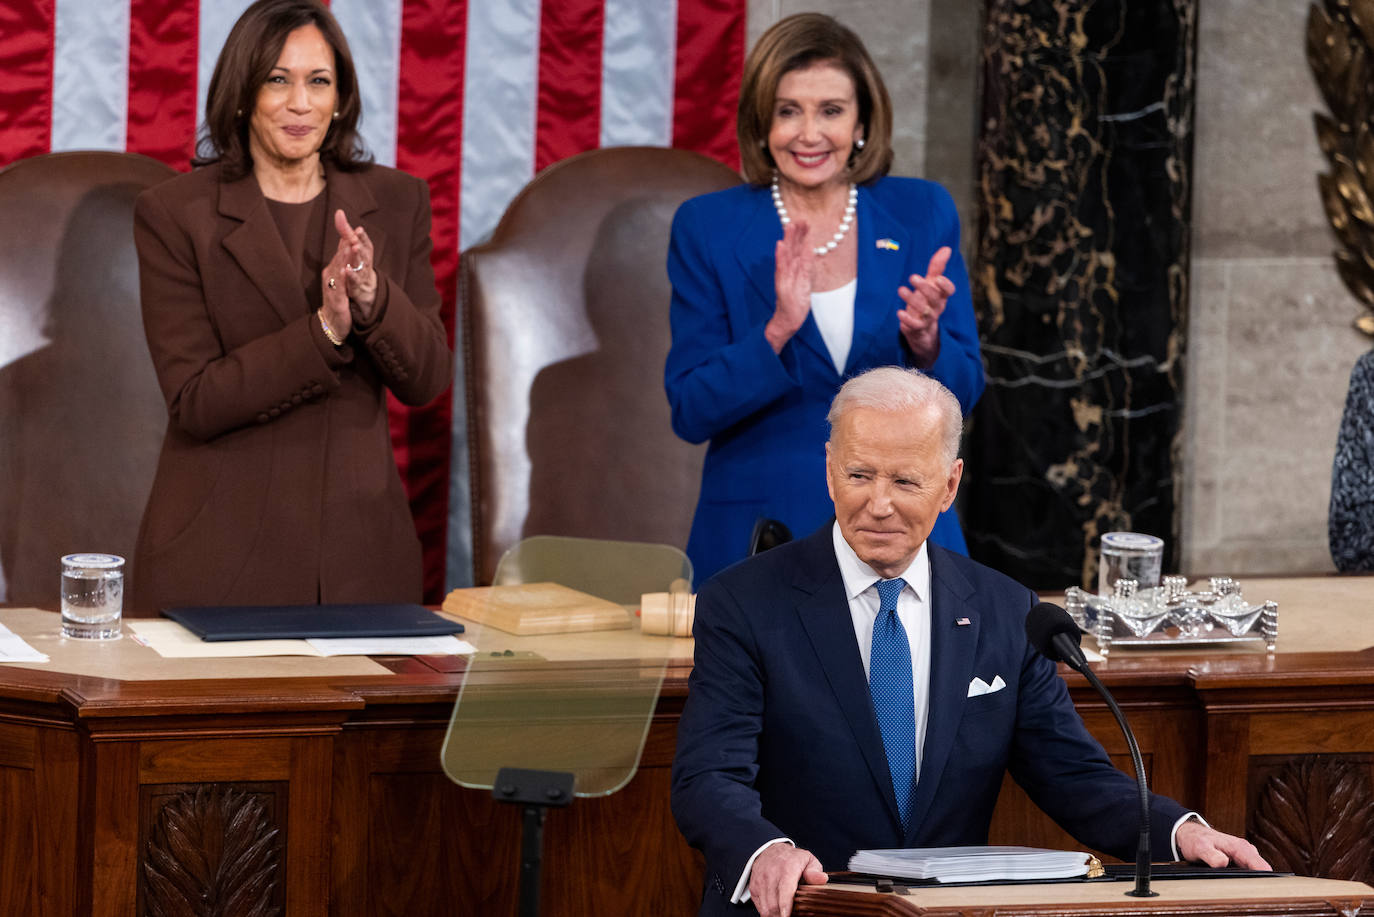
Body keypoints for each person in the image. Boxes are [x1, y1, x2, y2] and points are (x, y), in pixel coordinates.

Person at [671, 367, 1269, 917]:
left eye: (906, 480)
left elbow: (1073, 775)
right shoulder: (743, 603)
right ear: (829, 468)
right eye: (859, 475)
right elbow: (708, 777)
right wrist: (765, 849)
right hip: (802, 907)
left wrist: (1178, 830)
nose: (878, 504)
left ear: (949, 484)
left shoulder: (1006, 611)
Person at [129, 0, 451, 613]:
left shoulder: (397, 199)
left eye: (319, 81)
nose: (301, 103)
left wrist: (373, 299)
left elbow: (428, 377)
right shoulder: (176, 214)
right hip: (221, 562)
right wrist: (326, 331)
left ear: (340, 97)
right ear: (244, 93)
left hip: (361, 566)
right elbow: (195, 400)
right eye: (278, 80)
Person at [665, 13, 984, 585]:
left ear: (862, 121)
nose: (809, 133)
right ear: (762, 122)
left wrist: (928, 343)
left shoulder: (921, 212)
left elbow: (965, 393)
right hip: (760, 540)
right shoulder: (707, 227)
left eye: (831, 111)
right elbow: (691, 410)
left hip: (903, 531)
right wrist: (776, 332)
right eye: (789, 111)